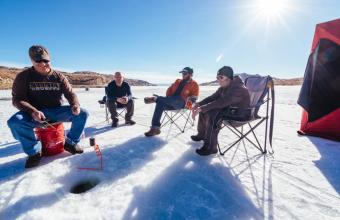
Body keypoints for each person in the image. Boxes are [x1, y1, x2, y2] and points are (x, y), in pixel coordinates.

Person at [7, 45, 89, 168]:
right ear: (32, 61)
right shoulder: (23, 76)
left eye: (45, 60)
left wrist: (75, 104)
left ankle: (71, 143)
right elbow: (17, 100)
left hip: (56, 111)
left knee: (83, 113)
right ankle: (34, 152)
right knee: (15, 122)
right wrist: (33, 111)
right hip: (33, 114)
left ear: (49, 59)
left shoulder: (58, 76)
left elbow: (70, 93)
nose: (42, 64)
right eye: (38, 61)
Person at [191, 66, 250, 156]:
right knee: (206, 109)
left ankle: (211, 147)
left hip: (240, 113)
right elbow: (213, 98)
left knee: (213, 112)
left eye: (221, 77)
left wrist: (202, 108)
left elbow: (223, 102)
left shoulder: (238, 88)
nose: (218, 80)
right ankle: (202, 134)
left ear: (228, 78)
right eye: (217, 77)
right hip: (229, 109)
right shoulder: (224, 87)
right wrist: (199, 104)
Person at [144, 67, 199, 136]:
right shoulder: (177, 81)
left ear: (190, 74)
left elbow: (194, 98)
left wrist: (189, 104)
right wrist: (168, 94)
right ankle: (155, 128)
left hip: (182, 103)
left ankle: (156, 99)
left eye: (185, 73)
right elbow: (170, 90)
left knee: (173, 99)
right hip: (171, 101)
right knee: (160, 103)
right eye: (182, 73)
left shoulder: (194, 84)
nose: (183, 75)